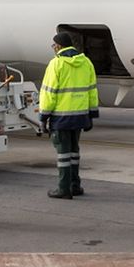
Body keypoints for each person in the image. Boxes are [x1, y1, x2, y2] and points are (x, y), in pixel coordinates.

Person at [39, 32, 98, 199]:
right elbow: (92, 91)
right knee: (74, 151)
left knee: (63, 154)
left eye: (53, 46)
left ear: (58, 46)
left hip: (61, 117)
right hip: (80, 116)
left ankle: (64, 189)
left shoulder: (56, 64)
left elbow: (48, 93)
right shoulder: (86, 62)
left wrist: (43, 117)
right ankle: (75, 185)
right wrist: (91, 115)